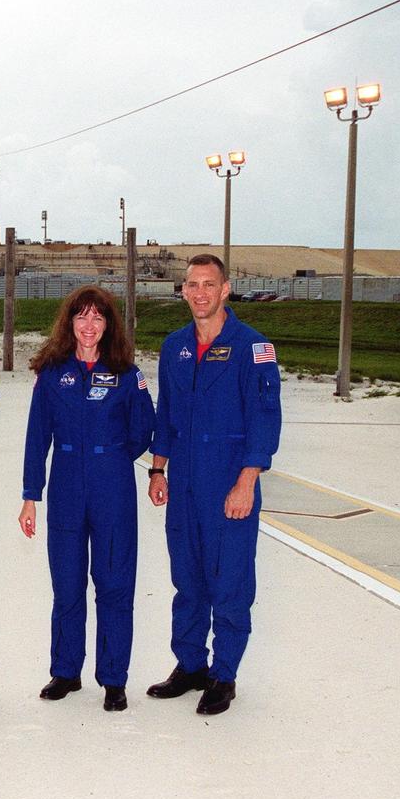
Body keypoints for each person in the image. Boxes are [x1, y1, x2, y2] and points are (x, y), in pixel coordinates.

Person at [146, 254, 282, 715]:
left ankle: (224, 674)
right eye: (192, 285)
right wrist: (158, 469)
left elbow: (265, 419)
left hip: (228, 480)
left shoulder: (253, 347)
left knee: (230, 581)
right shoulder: (175, 347)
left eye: (209, 284)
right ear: (182, 290)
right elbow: (166, 413)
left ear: (226, 289)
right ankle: (190, 665)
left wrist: (247, 481)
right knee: (187, 578)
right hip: (182, 480)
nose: (200, 293)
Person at [18, 286, 154, 712]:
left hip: (112, 486)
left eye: (98, 317)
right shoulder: (52, 374)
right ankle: (66, 671)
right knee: (68, 585)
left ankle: (114, 678)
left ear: (108, 324)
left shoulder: (128, 374)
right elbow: (37, 438)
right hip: (65, 487)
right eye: (81, 317)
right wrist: (29, 496)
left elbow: (142, 431)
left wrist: (109, 457)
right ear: (70, 323)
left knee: (114, 584)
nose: (89, 325)